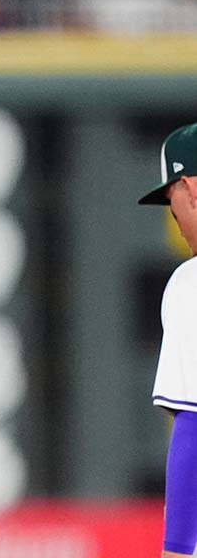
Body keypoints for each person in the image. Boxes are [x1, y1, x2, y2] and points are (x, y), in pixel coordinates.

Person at [138, 122, 197, 558]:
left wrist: (176, 549)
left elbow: (194, 425)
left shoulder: (190, 284)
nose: (172, 213)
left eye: (170, 197)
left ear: (190, 188)